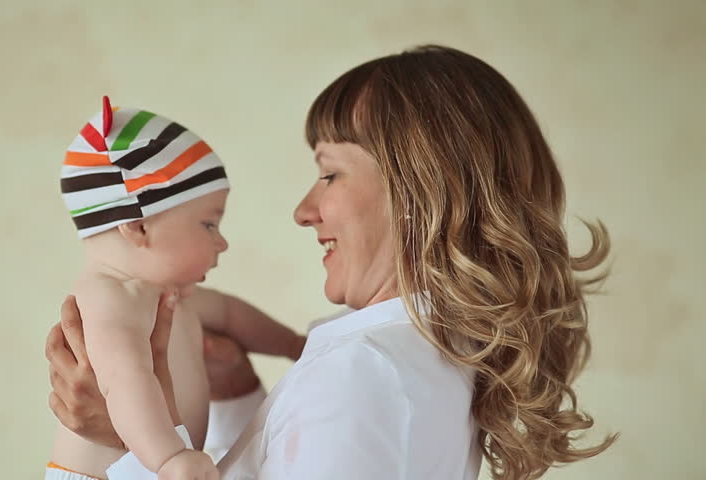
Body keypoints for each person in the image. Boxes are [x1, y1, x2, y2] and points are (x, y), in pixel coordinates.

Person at [46, 45, 617, 480]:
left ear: (418, 192)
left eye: (329, 173)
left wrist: (126, 449)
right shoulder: (420, 355)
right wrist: (239, 397)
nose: (303, 211)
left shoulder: (364, 371)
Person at [48, 97, 305, 480]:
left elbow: (232, 315)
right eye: (208, 225)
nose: (222, 243)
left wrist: (295, 345)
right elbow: (124, 379)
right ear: (138, 227)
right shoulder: (110, 297)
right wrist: (168, 457)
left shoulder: (168, 295)